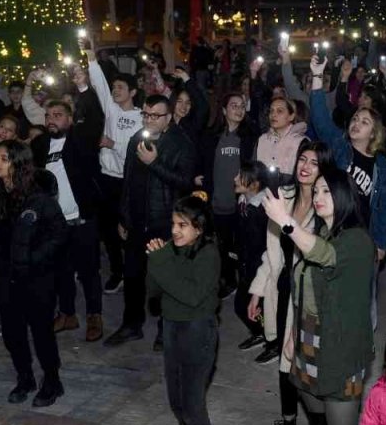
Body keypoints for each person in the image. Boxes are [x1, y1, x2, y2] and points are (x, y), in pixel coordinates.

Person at [263, 167, 378, 425]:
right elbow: (302, 294)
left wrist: (286, 222)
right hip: (308, 345)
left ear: (345, 196)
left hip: (340, 351)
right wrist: (291, 337)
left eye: (327, 190)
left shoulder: (357, 240)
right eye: (316, 191)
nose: (318, 196)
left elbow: (326, 255)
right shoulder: (320, 233)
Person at [249, 141, 331, 425]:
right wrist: (258, 289)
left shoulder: (326, 206)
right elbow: (272, 251)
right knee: (284, 369)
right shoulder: (281, 197)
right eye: (302, 159)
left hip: (309, 295)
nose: (305, 166)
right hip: (283, 288)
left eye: (314, 162)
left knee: (306, 368)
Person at [107, 94, 198, 349]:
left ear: (168, 118)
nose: (148, 120)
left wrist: (154, 163)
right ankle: (131, 325)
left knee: (165, 280)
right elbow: (127, 181)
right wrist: (123, 217)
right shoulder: (137, 139)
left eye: (155, 116)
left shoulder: (181, 143)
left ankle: (165, 330)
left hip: (165, 223)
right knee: (133, 277)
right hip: (137, 221)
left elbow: (185, 182)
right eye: (145, 114)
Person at [0, 140, 67, 407]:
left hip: (37, 278)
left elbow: (59, 234)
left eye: (4, 159)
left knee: (42, 332)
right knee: (12, 333)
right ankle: (25, 378)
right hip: (5, 277)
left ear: (18, 164)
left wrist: (34, 259)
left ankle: (52, 381)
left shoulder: (39, 198)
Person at [147, 194, 226, 425]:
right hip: (171, 327)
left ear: (199, 228)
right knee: (176, 401)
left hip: (198, 330)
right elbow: (154, 291)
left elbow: (190, 295)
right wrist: (156, 261)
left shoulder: (209, 254)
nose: (174, 231)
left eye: (182, 225)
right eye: (173, 224)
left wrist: (161, 262)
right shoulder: (171, 249)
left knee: (192, 402)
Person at [30, 99, 106, 342]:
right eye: (48, 115)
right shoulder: (40, 144)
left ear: (70, 119)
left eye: (58, 115)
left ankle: (94, 315)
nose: (51, 119)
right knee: (61, 271)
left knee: (89, 271)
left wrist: (84, 90)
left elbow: (95, 119)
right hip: (54, 223)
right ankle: (67, 314)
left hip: (81, 219)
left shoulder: (80, 140)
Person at [309, 55, 386, 259]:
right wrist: (317, 75)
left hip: (360, 237)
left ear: (374, 133)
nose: (356, 123)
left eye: (364, 122)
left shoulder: (382, 168)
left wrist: (381, 244)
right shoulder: (340, 146)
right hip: (329, 229)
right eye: (355, 119)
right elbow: (320, 118)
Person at [85, 44, 142, 294]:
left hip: (128, 180)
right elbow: (98, 83)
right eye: (114, 87)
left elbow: (138, 152)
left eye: (120, 87)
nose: (115, 91)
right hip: (106, 178)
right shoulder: (111, 109)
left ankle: (134, 271)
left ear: (133, 92)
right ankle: (117, 272)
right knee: (108, 230)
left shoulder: (142, 117)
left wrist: (113, 144)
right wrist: (91, 58)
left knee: (128, 228)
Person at [199, 91, 258, 298]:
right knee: (220, 245)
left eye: (242, 106)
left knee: (239, 246)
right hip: (216, 202)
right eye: (234, 105)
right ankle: (227, 279)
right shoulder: (211, 137)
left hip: (239, 204)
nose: (239, 110)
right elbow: (203, 165)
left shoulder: (249, 138)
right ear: (224, 110)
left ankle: (241, 283)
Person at [232, 161, 270, 352]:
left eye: (241, 176)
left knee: (255, 306)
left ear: (254, 184)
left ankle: (270, 339)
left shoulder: (263, 210)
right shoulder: (243, 203)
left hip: (260, 267)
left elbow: (266, 245)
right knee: (242, 305)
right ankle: (260, 332)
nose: (235, 179)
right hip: (246, 264)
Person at [254, 95, 307, 181]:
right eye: (271, 111)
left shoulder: (301, 142)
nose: (273, 115)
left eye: (279, 111)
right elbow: (253, 171)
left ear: (291, 116)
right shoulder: (261, 140)